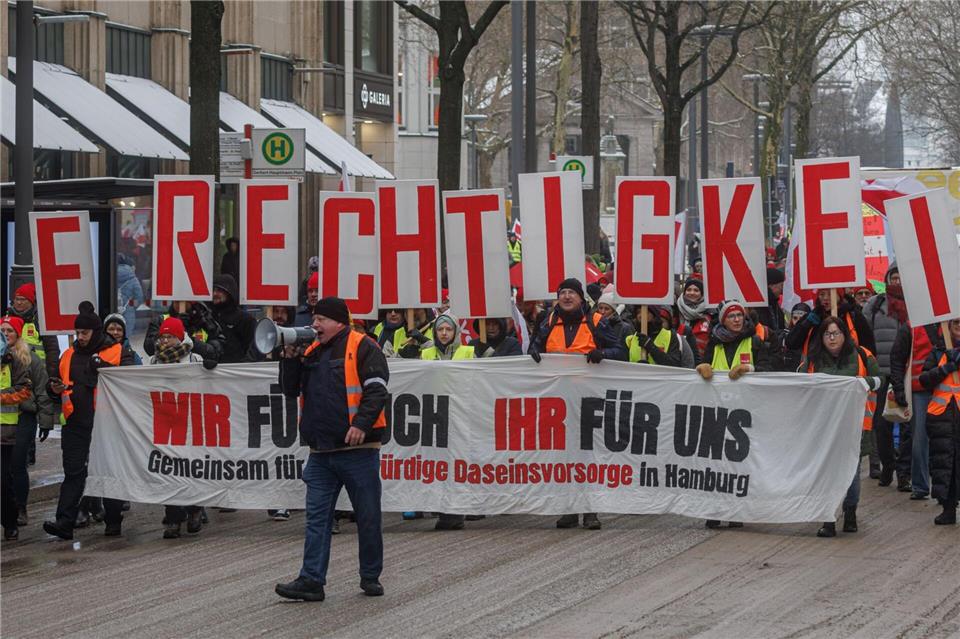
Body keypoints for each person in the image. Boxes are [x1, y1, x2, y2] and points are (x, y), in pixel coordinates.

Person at [276, 297, 389, 602]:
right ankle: (312, 580)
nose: (314, 325)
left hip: (359, 450)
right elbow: (289, 390)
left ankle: (370, 576)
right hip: (321, 454)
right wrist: (289, 359)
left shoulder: (364, 346)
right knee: (316, 519)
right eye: (313, 319)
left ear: (338, 321)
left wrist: (361, 424)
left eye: (320, 320)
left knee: (367, 516)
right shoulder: (311, 351)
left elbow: (377, 390)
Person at [529, 278, 627, 530]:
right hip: (557, 403)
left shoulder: (596, 322)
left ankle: (590, 510)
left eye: (571, 292)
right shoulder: (548, 321)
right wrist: (533, 350)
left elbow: (620, 351)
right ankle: (569, 509)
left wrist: (602, 353)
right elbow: (535, 346)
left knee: (588, 456)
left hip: (589, 401)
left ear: (582, 298)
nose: (566, 296)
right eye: (562, 292)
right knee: (562, 456)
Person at [43, 302, 134, 540]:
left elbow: (127, 382)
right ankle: (65, 522)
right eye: (77, 333)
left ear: (96, 332)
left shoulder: (116, 352)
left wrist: (101, 367)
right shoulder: (69, 355)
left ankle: (113, 520)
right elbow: (58, 384)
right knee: (73, 473)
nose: (80, 337)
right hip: (75, 424)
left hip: (106, 424)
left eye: (84, 333)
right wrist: (53, 389)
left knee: (109, 471)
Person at [696, 299, 774, 529]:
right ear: (723, 320)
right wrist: (702, 368)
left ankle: (737, 510)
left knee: (739, 463)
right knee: (716, 463)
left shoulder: (755, 341)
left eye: (740, 315)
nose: (737, 320)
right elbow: (704, 364)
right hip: (718, 410)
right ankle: (715, 509)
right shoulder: (714, 344)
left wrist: (750, 369)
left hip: (745, 412)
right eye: (732, 316)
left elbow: (772, 368)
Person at [802, 317, 882, 537]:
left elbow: (881, 379)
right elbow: (799, 384)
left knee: (851, 473)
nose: (832, 338)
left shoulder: (862, 356)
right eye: (827, 334)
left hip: (854, 427)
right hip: (824, 428)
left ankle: (850, 512)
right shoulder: (813, 360)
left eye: (836, 333)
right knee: (826, 473)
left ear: (845, 335)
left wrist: (866, 383)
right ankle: (828, 517)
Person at [145, 317, 207, 538]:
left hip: (188, 421)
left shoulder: (194, 358)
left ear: (180, 337)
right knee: (168, 471)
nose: (166, 341)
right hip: (165, 420)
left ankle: (194, 509)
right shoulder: (154, 361)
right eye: (163, 337)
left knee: (189, 469)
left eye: (170, 336)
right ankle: (173, 518)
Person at [1, 317, 53, 528]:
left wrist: (46, 421)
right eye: (2, 331)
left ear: (18, 334)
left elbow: (42, 391)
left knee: (17, 464)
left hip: (24, 417)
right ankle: (8, 507)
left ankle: (21, 507)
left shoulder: (30, 359)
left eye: (9, 331)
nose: (5, 334)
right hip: (4, 420)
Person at [862, 264, 909, 487]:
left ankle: (904, 474)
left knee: (907, 422)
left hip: (905, 373)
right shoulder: (875, 303)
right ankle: (888, 465)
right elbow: (864, 334)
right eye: (894, 278)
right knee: (881, 425)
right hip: (880, 372)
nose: (897, 282)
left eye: (901, 278)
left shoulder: (915, 304)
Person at [890, 321, 941, 500]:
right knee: (920, 440)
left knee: (947, 442)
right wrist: (899, 389)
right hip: (919, 391)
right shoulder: (910, 328)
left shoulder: (950, 324)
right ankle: (920, 485)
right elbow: (896, 359)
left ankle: (947, 488)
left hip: (947, 389)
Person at [918, 317, 960, 525]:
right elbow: (924, 380)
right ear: (948, 327)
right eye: (956, 323)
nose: (959, 327)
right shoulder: (937, 352)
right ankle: (948, 508)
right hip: (941, 417)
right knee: (944, 464)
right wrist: (946, 367)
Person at [1, 326, 33, 541]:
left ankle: (10, 520)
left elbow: (25, 390)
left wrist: (2, 397)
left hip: (5, 433)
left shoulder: (14, 362)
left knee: (3, 481)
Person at [785, 288, 876, 358]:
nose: (825, 298)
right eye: (822, 294)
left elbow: (869, 348)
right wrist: (806, 324)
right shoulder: (812, 317)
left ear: (839, 296)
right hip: (817, 374)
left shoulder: (853, 316)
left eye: (830, 294)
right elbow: (791, 343)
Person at [5, 283, 61, 376]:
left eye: (23, 299)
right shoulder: (6, 321)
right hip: (10, 376)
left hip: (37, 375)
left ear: (31, 301)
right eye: (17, 299)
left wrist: (51, 377)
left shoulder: (41, 321)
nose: (19, 302)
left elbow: (52, 350)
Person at [211, 274, 258, 363]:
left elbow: (253, 350)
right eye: (214, 290)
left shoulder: (245, 319)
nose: (215, 294)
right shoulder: (209, 316)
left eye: (220, 290)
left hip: (235, 371)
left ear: (230, 292)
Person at [676, 277, 711, 363]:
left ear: (702, 293)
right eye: (689, 290)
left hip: (702, 362)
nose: (692, 293)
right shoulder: (676, 311)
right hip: (678, 362)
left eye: (696, 290)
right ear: (684, 292)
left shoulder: (710, 312)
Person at [116, 252, 145, 336]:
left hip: (111, 311)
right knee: (125, 336)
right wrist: (131, 307)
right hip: (127, 311)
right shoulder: (132, 278)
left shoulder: (109, 273)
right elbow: (139, 297)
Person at [754, 268, 786, 335]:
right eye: (781, 285)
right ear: (771, 286)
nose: (782, 289)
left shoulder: (774, 303)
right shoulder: (758, 306)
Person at [782, 303, 811, 373]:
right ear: (791, 319)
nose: (798, 322)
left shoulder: (813, 336)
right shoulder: (783, 336)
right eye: (795, 318)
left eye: (801, 319)